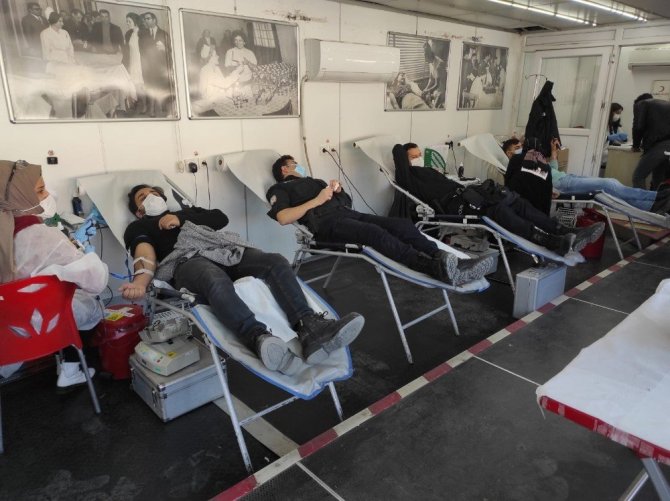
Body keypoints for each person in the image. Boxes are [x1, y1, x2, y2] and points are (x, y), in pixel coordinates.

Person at [121, 184, 364, 374]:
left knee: (276, 261)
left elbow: (220, 218)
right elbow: (145, 255)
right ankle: (258, 338)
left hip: (226, 250)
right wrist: (140, 284)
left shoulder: (186, 213)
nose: (151, 197)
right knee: (215, 280)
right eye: (143, 197)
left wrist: (181, 220)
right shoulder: (140, 227)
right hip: (186, 261)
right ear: (138, 211)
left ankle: (310, 327)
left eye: (154, 193)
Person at [268, 155, 497, 285]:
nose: (299, 165)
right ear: (285, 169)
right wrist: (317, 200)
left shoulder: (316, 182)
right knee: (374, 234)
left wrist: (338, 189)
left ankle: (445, 258)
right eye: (294, 163)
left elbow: (346, 202)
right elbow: (283, 217)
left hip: (347, 215)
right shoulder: (279, 189)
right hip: (325, 225)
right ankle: (431, 267)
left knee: (400, 224)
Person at [0, 161, 108, 387]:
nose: (48, 195)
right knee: (85, 301)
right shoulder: (40, 235)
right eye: (40, 190)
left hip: (6, 333)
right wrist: (85, 255)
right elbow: (95, 281)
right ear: (19, 196)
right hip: (36, 327)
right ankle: (71, 368)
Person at [400, 144, 603, 256]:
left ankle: (563, 230)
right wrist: (402, 153)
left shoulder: (429, 171)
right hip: (455, 205)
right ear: (405, 160)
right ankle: (549, 241)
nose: (419, 157)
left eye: (419, 154)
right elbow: (398, 155)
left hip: (468, 193)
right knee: (497, 211)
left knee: (516, 201)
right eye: (414, 156)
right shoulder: (409, 178)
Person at [540, 138, 670, 215]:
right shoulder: (529, 165)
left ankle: (649, 205)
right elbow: (536, 180)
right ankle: (655, 196)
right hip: (562, 184)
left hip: (567, 178)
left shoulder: (538, 161)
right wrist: (550, 189)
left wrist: (553, 152)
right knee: (608, 184)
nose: (537, 154)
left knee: (612, 186)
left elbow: (553, 168)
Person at [632, 93, 670, 189]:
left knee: (638, 177)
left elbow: (638, 127)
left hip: (659, 144)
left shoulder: (640, 104)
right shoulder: (665, 105)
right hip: (666, 146)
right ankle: (657, 198)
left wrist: (636, 146)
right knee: (658, 177)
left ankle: (640, 199)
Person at [139, 12, 172, 117]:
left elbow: (171, 51)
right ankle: (152, 109)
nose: (146, 21)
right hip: (149, 66)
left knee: (162, 87)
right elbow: (141, 51)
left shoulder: (164, 34)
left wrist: (164, 49)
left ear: (154, 20)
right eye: (145, 19)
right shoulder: (143, 35)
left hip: (161, 66)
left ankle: (163, 105)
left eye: (148, 18)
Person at [123, 12, 145, 113]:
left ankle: (144, 105)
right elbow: (127, 50)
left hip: (141, 62)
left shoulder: (142, 33)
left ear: (135, 21)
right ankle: (137, 103)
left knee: (141, 85)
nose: (127, 23)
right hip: (132, 62)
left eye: (129, 21)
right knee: (134, 84)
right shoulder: (128, 34)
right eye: (126, 21)